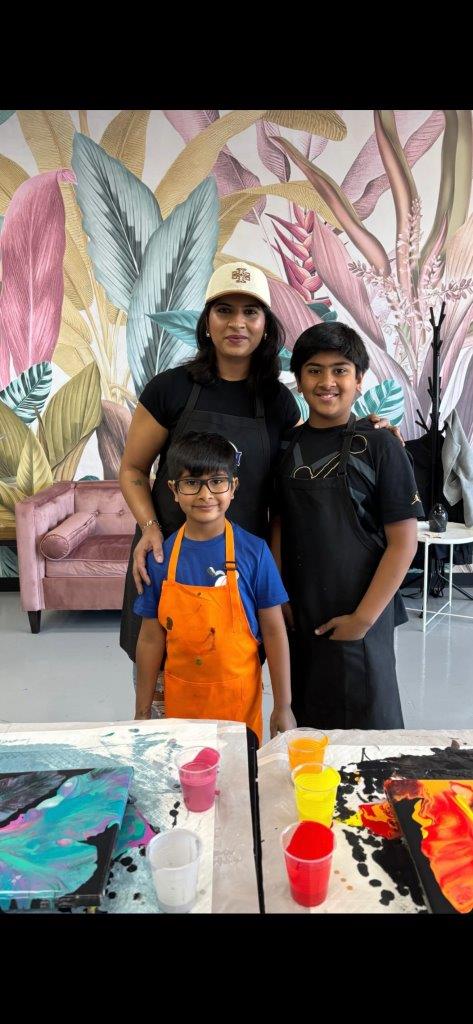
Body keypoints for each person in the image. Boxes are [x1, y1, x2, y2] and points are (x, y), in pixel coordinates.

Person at [119, 260, 402, 709]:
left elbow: (308, 449)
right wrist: (149, 527)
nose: (237, 323)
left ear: (265, 325)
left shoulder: (278, 402)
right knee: (163, 688)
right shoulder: (169, 389)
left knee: (232, 684)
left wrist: (367, 428)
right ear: (206, 322)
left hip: (242, 567)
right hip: (171, 558)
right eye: (224, 310)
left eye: (250, 312)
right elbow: (133, 469)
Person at [271, 322, 423, 730]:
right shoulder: (286, 445)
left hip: (364, 610)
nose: (327, 382)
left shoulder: (380, 444)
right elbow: (280, 523)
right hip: (300, 612)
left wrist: (362, 620)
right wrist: (279, 595)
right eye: (314, 370)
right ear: (299, 380)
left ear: (359, 379)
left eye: (340, 370)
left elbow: (403, 543)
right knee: (309, 731)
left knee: (371, 730)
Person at [133, 431, 296, 744]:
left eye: (217, 481)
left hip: (238, 702)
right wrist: (142, 711)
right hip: (182, 704)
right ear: (174, 490)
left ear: (233, 487)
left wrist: (283, 705)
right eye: (192, 483)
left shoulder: (255, 552)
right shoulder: (161, 559)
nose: (205, 494)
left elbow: (274, 632)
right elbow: (151, 638)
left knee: (239, 771)